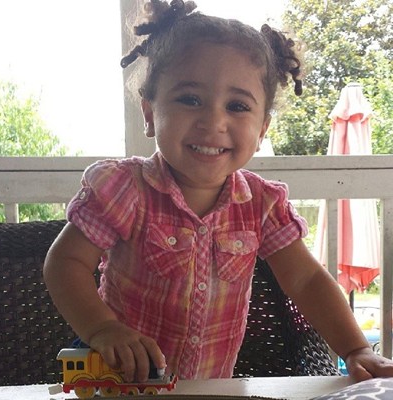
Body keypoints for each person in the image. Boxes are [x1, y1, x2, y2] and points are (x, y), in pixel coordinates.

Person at [43, 0, 393, 384]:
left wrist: (355, 349)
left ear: (261, 130)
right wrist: (103, 328)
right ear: (150, 114)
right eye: (190, 99)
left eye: (237, 106)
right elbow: (65, 263)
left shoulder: (262, 205)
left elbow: (307, 280)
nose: (213, 121)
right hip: (119, 377)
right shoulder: (124, 190)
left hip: (211, 384)